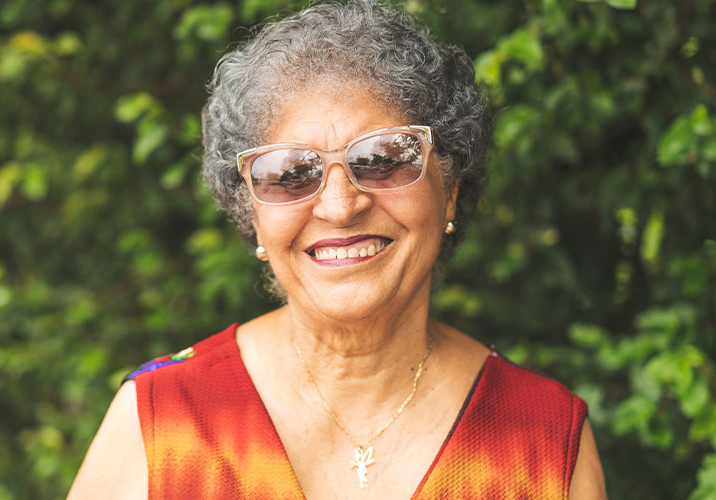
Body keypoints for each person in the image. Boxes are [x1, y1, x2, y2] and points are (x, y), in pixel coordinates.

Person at [68, 1, 605, 498]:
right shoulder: (163, 420)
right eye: (290, 172)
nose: (340, 206)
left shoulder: (545, 441)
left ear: (451, 190)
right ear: (252, 215)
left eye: (383, 158)